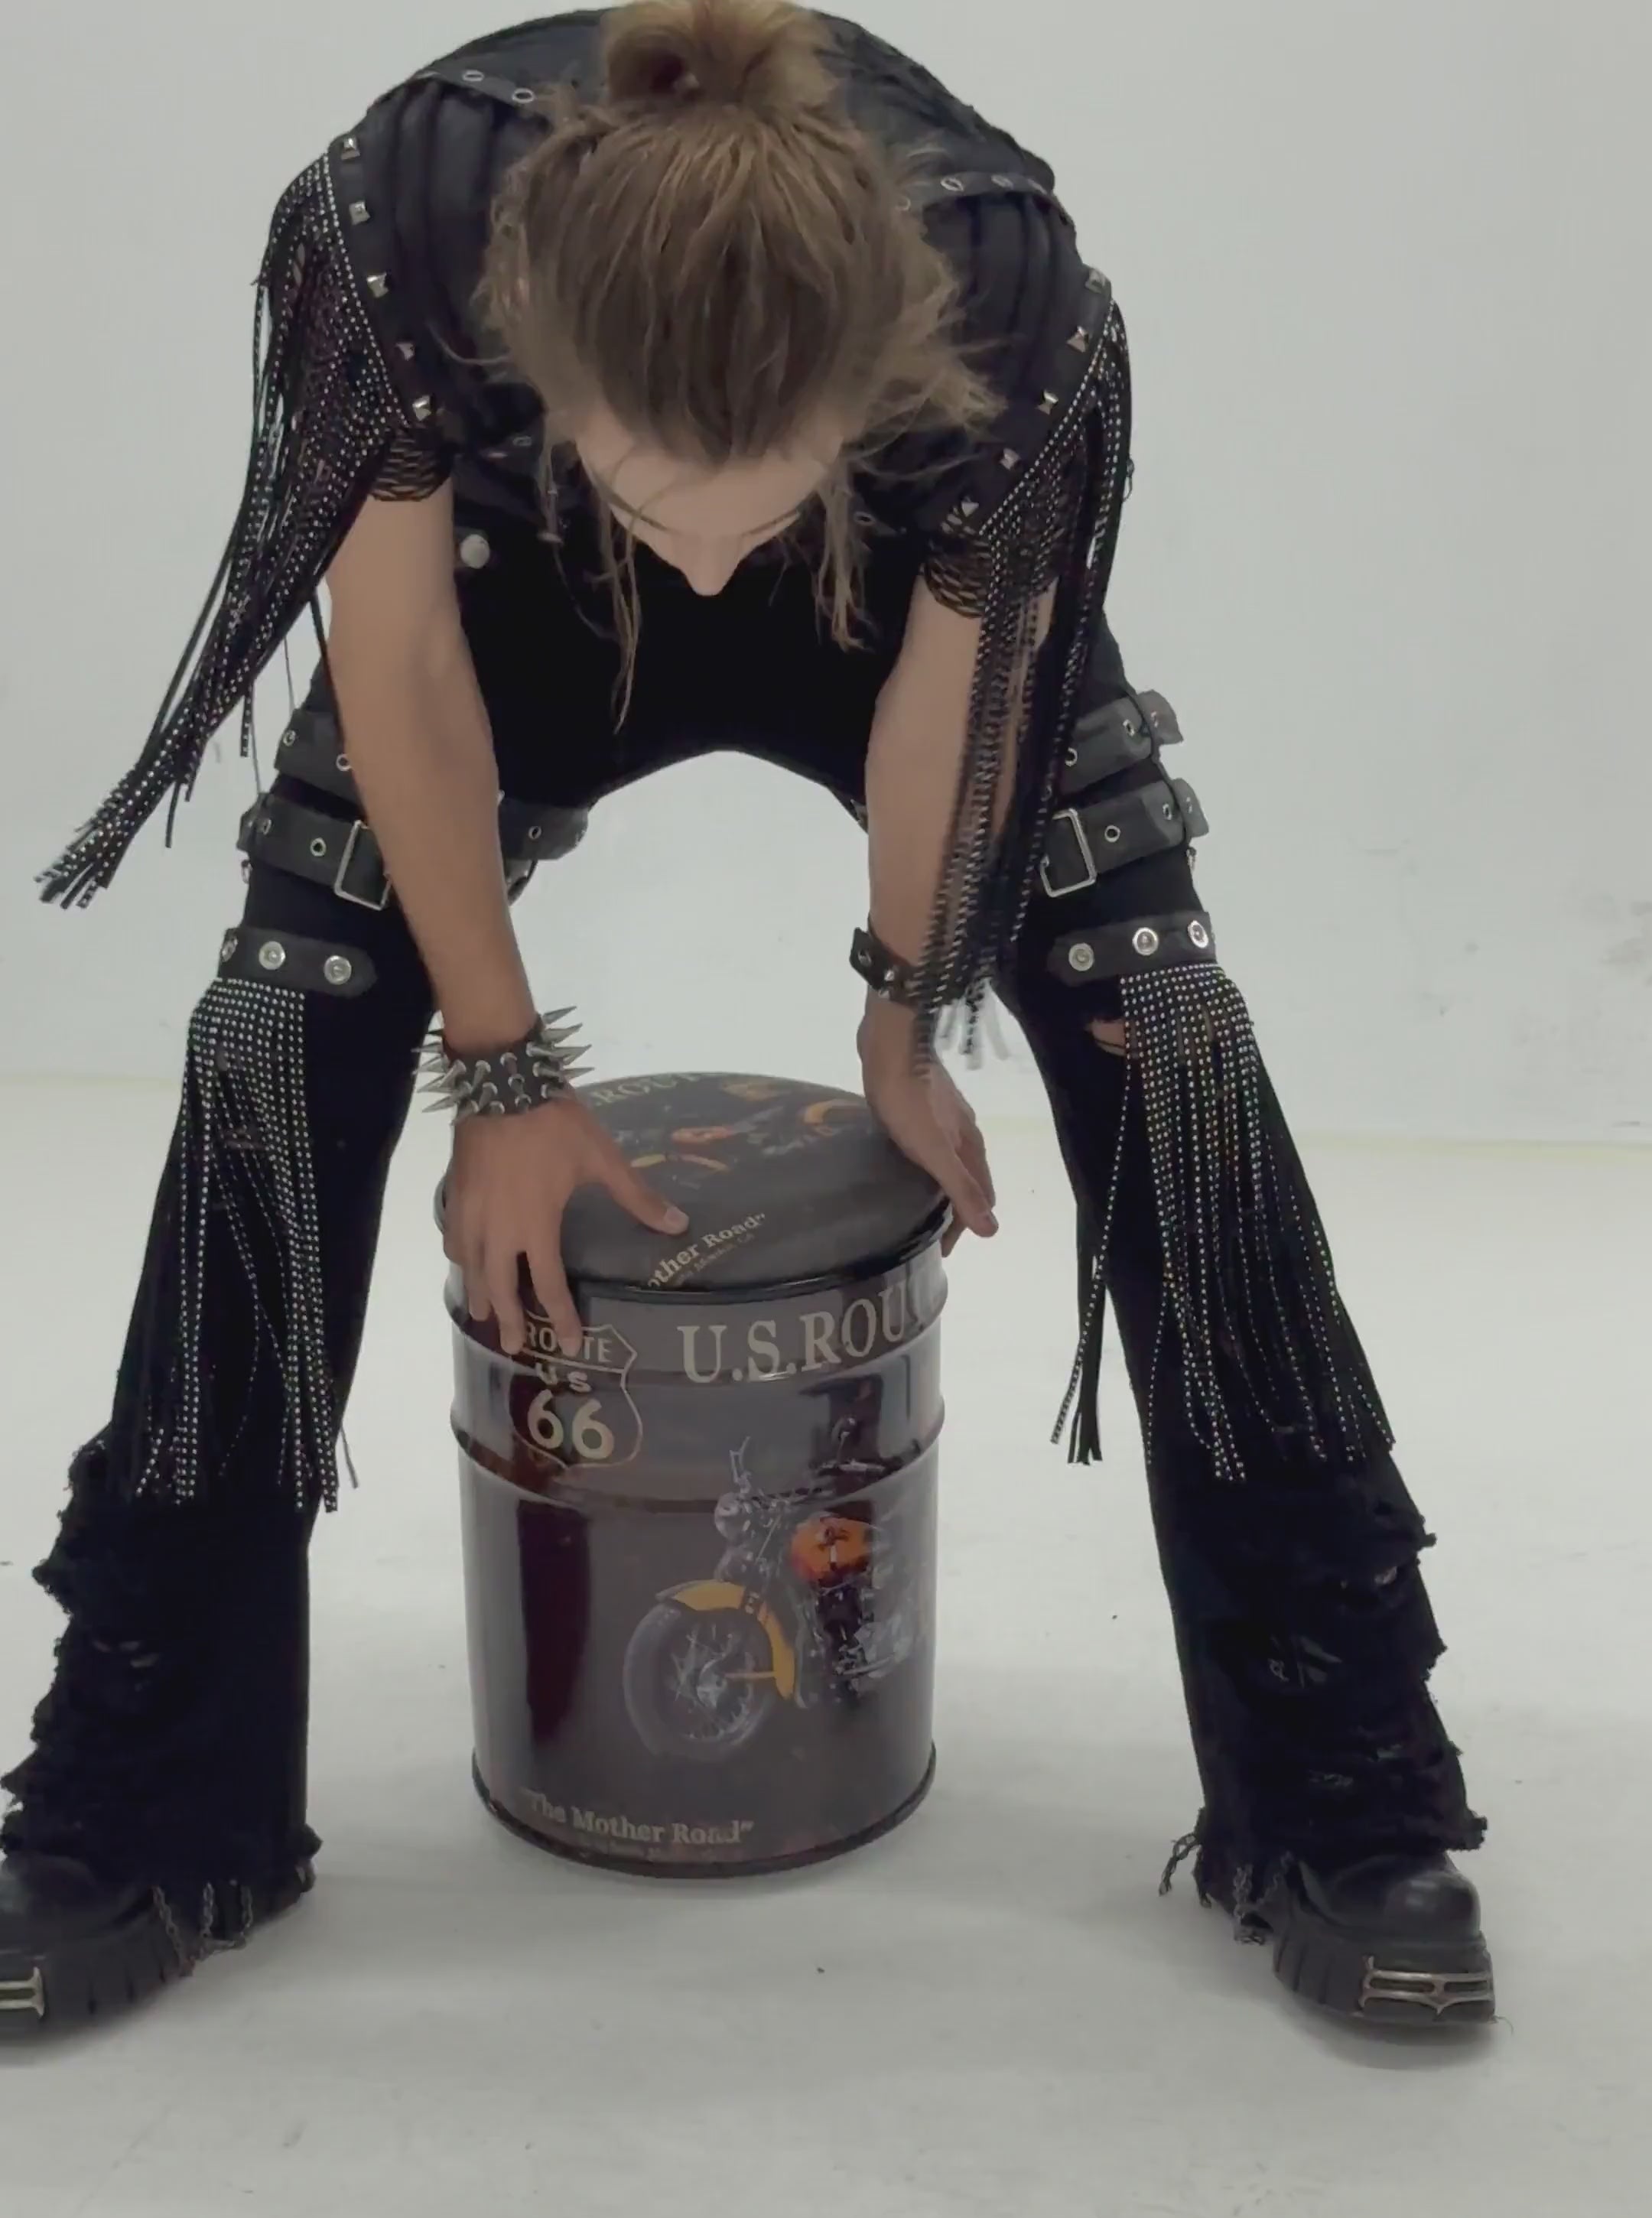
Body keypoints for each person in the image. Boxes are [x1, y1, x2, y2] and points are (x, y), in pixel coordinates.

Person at [0, 0, 1494, 2039]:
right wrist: (501, 1073)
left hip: (890, 595)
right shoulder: (394, 231)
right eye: (665, 498)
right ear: (536, 352)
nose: (705, 563)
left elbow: (947, 709)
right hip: (512, 593)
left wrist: (905, 1009)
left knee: (1174, 1029)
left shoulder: (1012, 303)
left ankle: (1343, 1797)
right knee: (276, 1029)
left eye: (749, 503)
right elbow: (404, 667)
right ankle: (148, 1808)